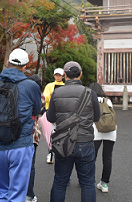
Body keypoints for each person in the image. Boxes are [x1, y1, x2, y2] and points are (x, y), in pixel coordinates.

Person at [0, 48, 42, 202]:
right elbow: (37, 109)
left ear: (7, 63)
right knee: (17, 192)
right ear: (25, 67)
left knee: (1, 190)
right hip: (20, 144)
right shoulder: (31, 85)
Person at [46, 61, 100, 202]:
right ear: (81, 74)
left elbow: (50, 117)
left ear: (65, 75)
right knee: (88, 183)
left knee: (60, 182)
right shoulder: (90, 93)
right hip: (85, 142)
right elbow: (97, 117)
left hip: (63, 142)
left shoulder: (56, 93)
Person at [89, 82, 117, 193]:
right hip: (111, 132)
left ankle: (89, 181)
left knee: (92, 157)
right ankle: (104, 184)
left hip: (96, 132)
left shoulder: (91, 101)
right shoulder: (108, 101)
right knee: (107, 157)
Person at [26, 74, 45, 202]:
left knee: (17, 165)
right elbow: (41, 112)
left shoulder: (21, 92)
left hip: (17, 135)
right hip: (32, 134)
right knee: (30, 166)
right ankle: (29, 195)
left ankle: (15, 193)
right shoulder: (40, 96)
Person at [42, 68, 65, 163]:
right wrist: (50, 95)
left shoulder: (65, 86)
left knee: (61, 133)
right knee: (50, 133)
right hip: (50, 112)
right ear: (54, 76)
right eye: (56, 75)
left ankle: (60, 153)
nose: (58, 77)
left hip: (62, 112)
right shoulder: (49, 85)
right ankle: (50, 152)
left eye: (60, 75)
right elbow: (44, 98)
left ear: (63, 76)